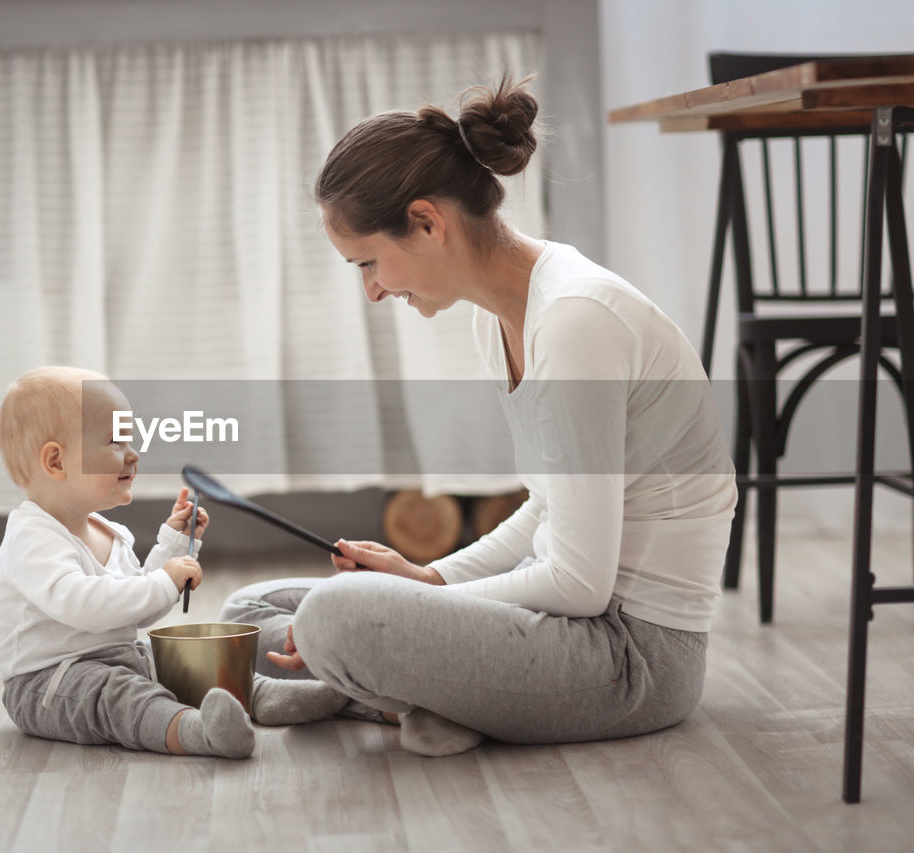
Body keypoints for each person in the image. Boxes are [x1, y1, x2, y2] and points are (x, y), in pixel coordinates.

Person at [222, 79, 738, 756]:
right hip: (561, 624)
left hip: (631, 657)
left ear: (428, 221)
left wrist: (425, 601)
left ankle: (405, 689)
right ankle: (436, 695)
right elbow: (546, 512)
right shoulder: (499, 319)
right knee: (248, 613)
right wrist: (429, 578)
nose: (374, 290)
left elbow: (579, 585)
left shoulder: (578, 319)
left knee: (332, 618)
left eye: (369, 262)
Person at [0, 366, 255, 759]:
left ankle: (266, 696)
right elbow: (86, 605)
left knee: (188, 666)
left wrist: (176, 545)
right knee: (120, 697)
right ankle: (199, 733)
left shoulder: (109, 532)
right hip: (49, 684)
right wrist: (165, 580)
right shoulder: (31, 539)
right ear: (56, 462)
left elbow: (134, 608)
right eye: (116, 441)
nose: (133, 454)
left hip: (122, 660)